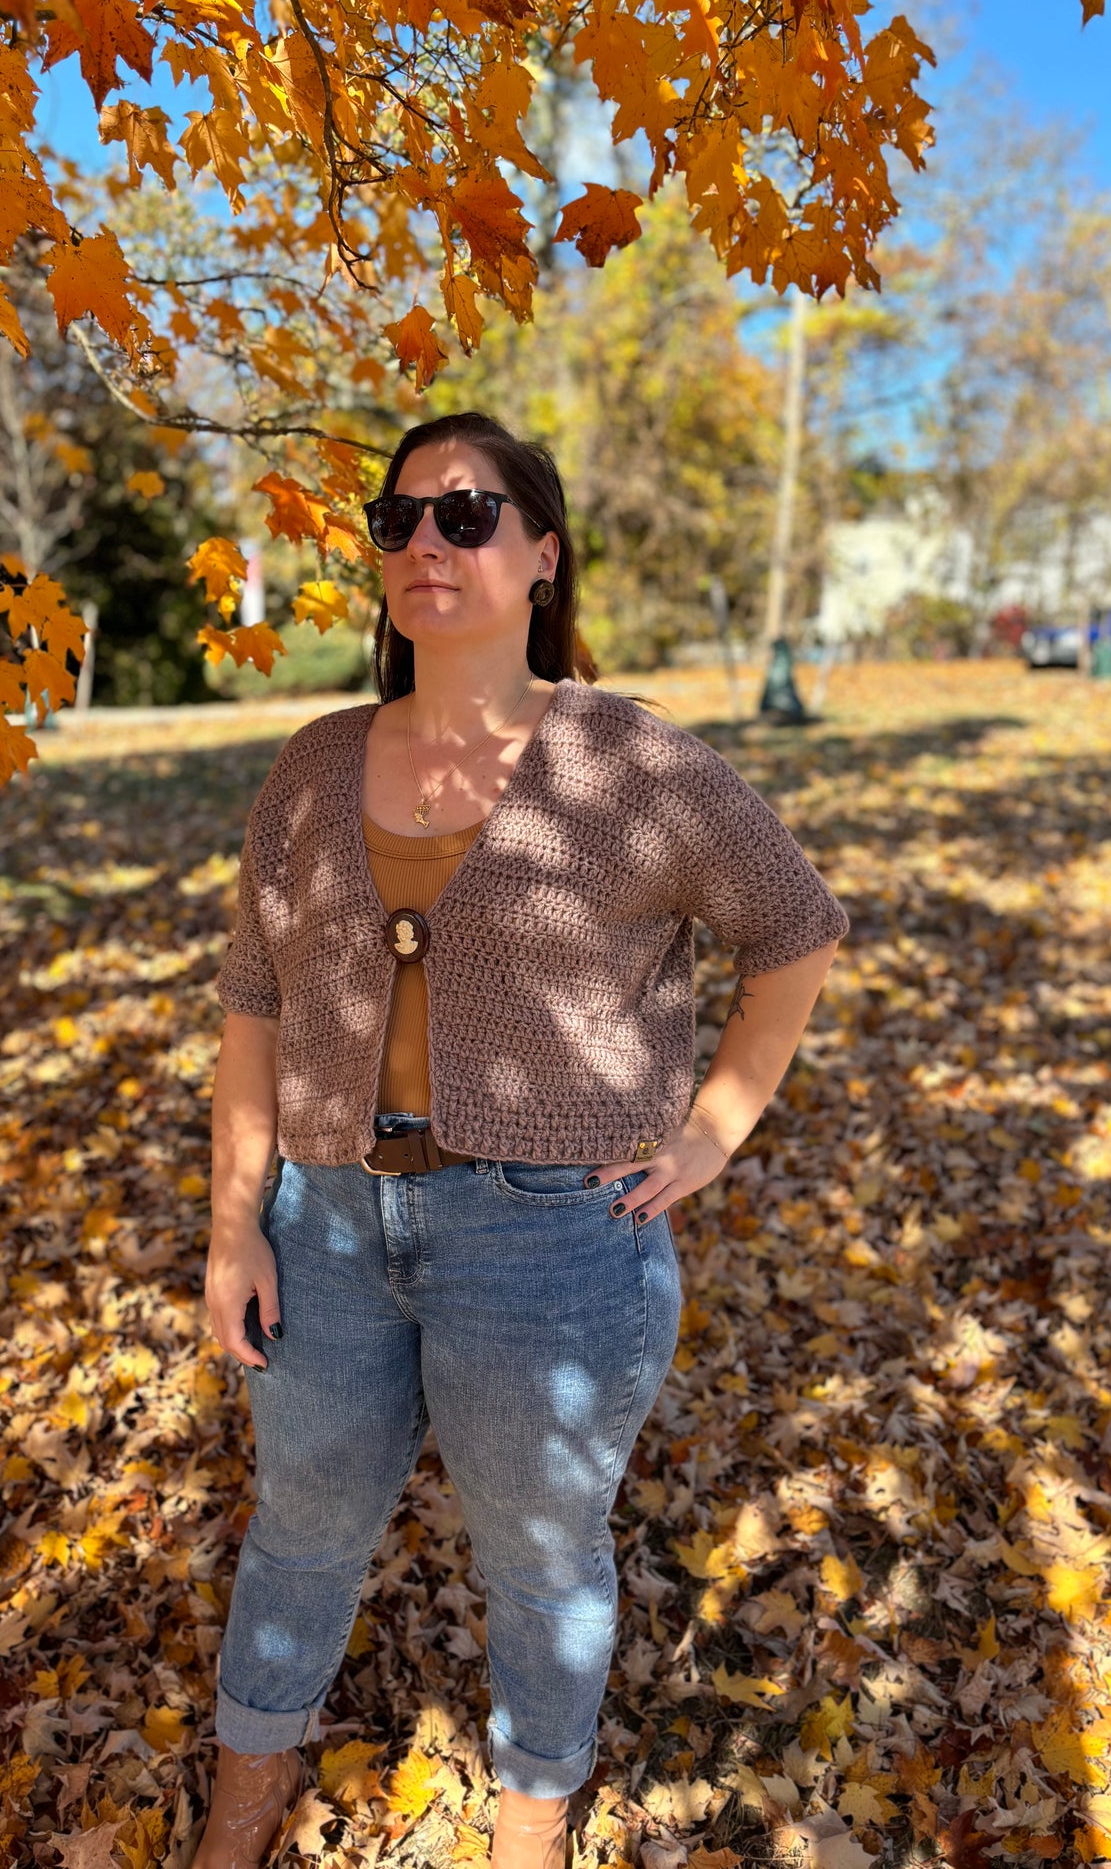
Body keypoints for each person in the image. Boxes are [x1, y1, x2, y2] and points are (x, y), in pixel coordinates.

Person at [196, 411, 851, 1868]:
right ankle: (246, 1794)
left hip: (550, 1240)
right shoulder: (312, 767)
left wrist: (713, 1130)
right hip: (326, 1224)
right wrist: (236, 1223)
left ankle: (531, 1819)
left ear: (543, 555)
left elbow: (794, 929)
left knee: (543, 1557)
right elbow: (252, 1006)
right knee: (299, 1526)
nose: (426, 541)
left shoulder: (628, 761)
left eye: (467, 514)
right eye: (400, 518)